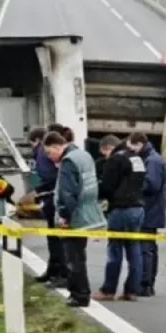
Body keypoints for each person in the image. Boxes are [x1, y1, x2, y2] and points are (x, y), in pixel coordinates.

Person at [44, 131, 106, 307]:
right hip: (87, 211)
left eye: (49, 152)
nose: (49, 157)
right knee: (79, 255)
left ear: (57, 146)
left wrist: (64, 215)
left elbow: (67, 192)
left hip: (75, 216)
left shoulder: (68, 161)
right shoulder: (84, 155)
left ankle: (79, 295)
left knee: (73, 258)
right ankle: (81, 292)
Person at [93, 133, 146, 302]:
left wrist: (98, 196)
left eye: (104, 153)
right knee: (134, 250)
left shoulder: (115, 159)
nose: (105, 157)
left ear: (109, 148)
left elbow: (107, 186)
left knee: (114, 251)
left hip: (121, 209)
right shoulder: (136, 158)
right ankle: (132, 290)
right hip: (138, 208)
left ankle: (108, 290)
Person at [30, 125, 69, 286]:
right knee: (53, 237)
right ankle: (53, 269)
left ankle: (60, 272)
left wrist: (38, 189)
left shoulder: (41, 153)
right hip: (51, 197)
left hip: (50, 197)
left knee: (56, 239)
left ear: (37, 140)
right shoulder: (48, 153)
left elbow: (47, 176)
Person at [129, 133, 166, 297]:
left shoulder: (151, 161)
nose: (132, 150)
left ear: (139, 144)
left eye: (133, 146)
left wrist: (133, 184)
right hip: (152, 209)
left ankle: (145, 284)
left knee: (146, 249)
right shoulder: (151, 158)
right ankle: (147, 283)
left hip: (149, 210)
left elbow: (151, 185)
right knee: (149, 248)